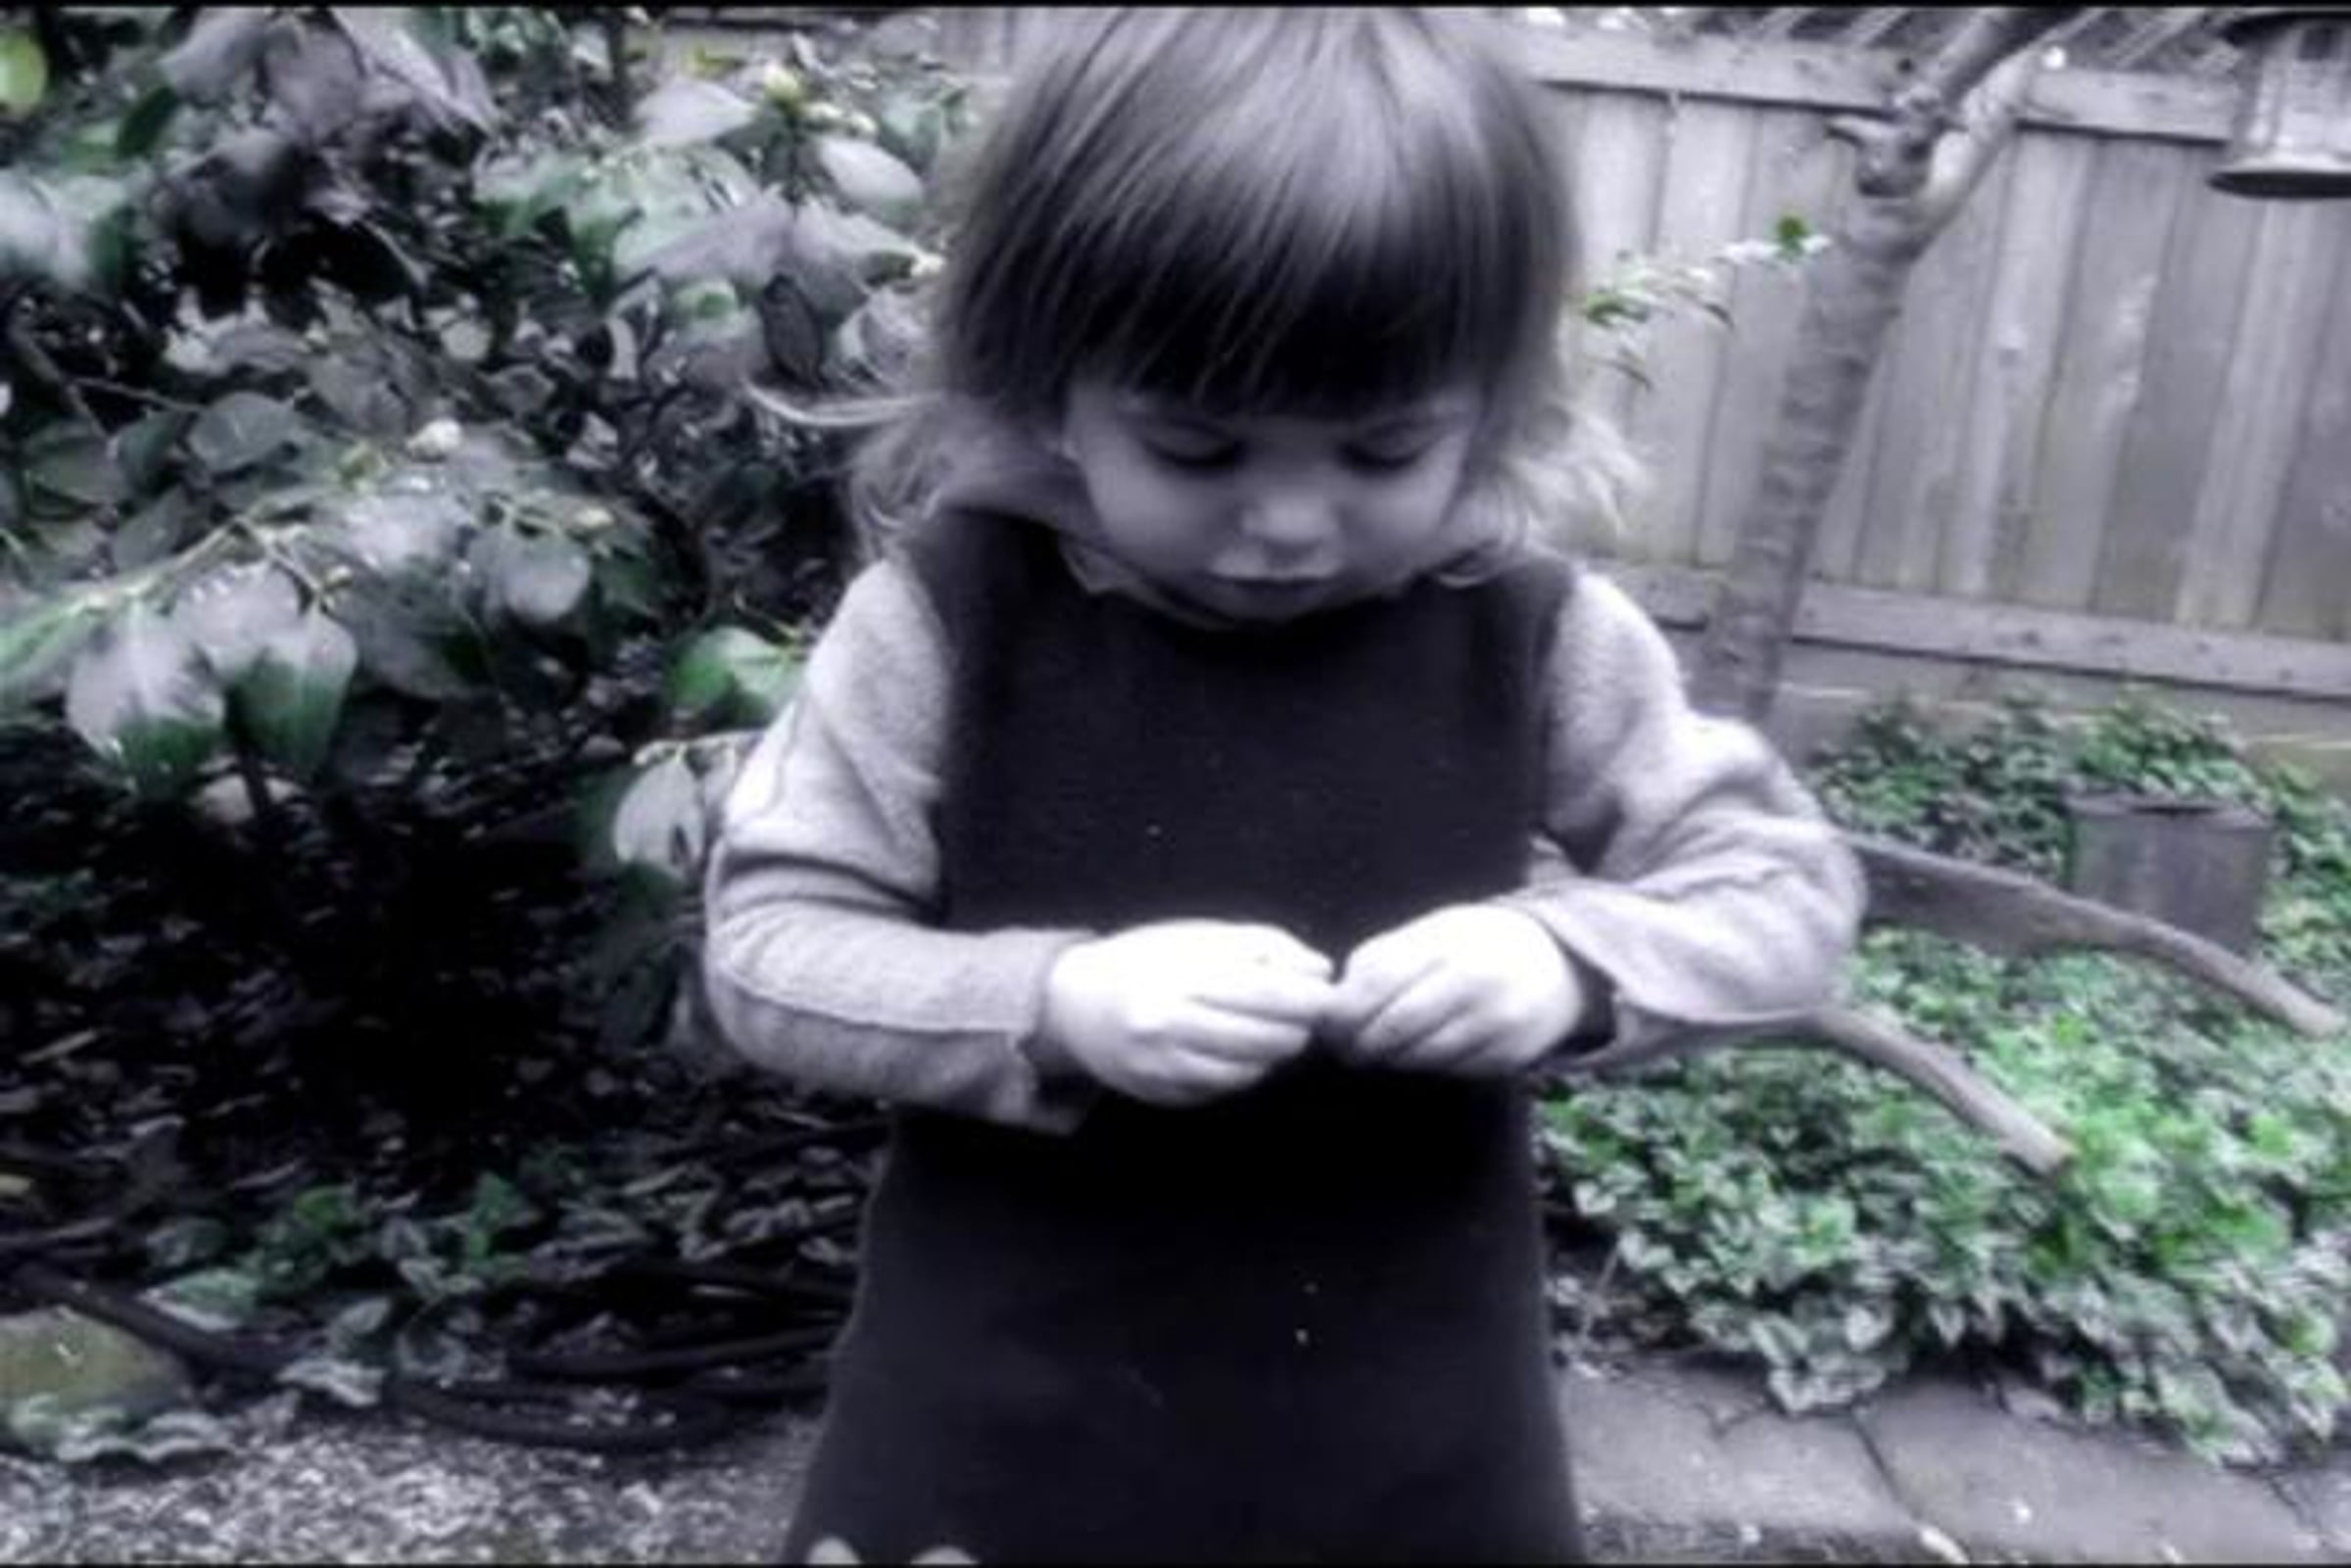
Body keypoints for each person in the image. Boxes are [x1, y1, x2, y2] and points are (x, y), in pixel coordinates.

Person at [702, 9, 1864, 1562]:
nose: (1292, 523)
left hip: (1413, 1430)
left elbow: (1785, 892)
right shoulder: (946, 621)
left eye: (1384, 453)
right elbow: (769, 945)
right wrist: (1052, 1002)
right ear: (1048, 386)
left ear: (1491, 409)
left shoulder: (1531, 635)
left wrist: (1569, 958)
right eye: (1198, 450)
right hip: (1000, 1420)